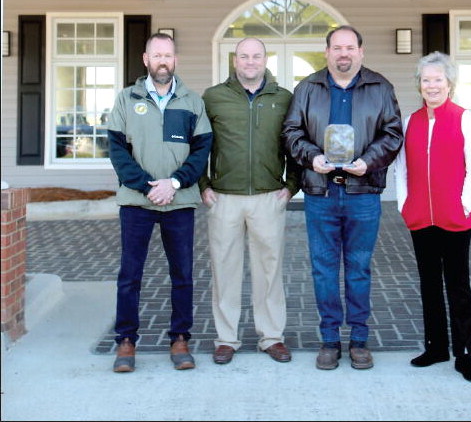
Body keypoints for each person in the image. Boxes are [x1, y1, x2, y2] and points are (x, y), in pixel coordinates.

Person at [282, 25, 403, 370]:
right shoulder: (307, 88)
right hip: (320, 192)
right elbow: (291, 132)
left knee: (359, 268)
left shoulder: (380, 87)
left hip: (362, 193)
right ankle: (330, 339)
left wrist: (369, 162)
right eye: (337, 48)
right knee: (323, 269)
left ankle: (360, 339)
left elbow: (393, 133)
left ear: (361, 52)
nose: (344, 54)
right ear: (327, 52)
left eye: (350, 47)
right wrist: (311, 157)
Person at [107, 32, 212, 373]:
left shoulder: (192, 101)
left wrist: (175, 183)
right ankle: (126, 341)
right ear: (145, 59)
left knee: (182, 274)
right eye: (157, 55)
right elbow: (117, 150)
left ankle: (180, 338)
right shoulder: (126, 99)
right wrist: (148, 187)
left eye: (168, 55)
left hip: (179, 201)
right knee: (130, 275)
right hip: (137, 201)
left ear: (175, 60)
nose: (162, 61)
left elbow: (201, 151)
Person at [200, 37, 299, 365]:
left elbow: (296, 142)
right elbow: (198, 144)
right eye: (244, 56)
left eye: (256, 56)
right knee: (224, 270)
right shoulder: (214, 98)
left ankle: (271, 337)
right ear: (235, 60)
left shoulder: (283, 98)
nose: (250, 62)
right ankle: (226, 338)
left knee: (269, 270)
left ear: (265, 59)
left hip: (269, 197)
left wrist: (292, 185)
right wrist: (203, 185)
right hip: (224, 198)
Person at [394, 51, 471, 383]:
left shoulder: (463, 118)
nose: (432, 85)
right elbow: (401, 169)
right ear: (419, 84)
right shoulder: (410, 121)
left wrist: (463, 204)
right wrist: (405, 203)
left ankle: (464, 354)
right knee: (429, 284)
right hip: (420, 215)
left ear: (449, 83)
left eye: (438, 80)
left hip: (454, 217)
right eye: (426, 80)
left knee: (458, 285)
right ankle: (436, 347)